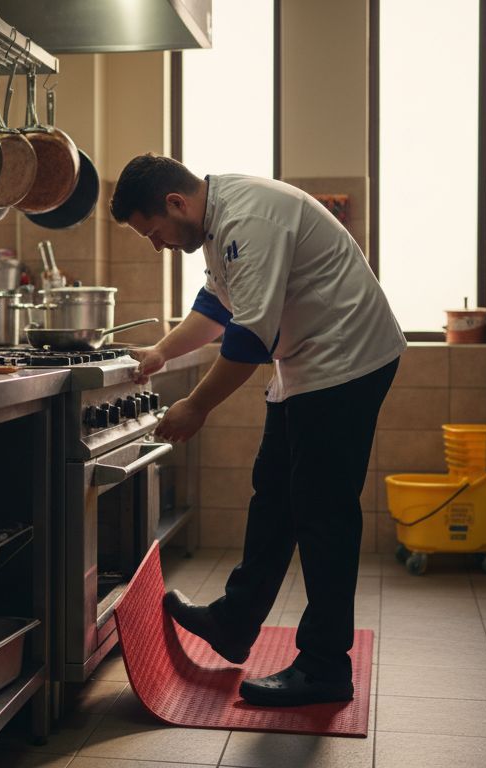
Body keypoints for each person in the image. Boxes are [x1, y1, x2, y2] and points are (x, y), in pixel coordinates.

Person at [110, 155, 405, 707]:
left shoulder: (249, 221)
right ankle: (233, 622)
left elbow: (245, 339)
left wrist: (196, 407)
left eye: (154, 233)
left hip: (346, 360)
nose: (157, 245)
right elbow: (216, 307)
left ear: (175, 204)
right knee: (274, 494)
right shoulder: (219, 219)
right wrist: (160, 351)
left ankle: (323, 667)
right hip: (306, 362)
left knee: (323, 514)